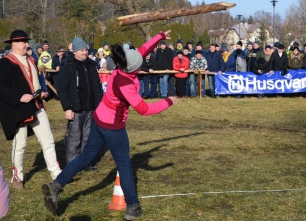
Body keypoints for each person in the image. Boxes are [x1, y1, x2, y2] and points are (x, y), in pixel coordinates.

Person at [42, 30, 178, 219]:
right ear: (133, 68)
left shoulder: (122, 65)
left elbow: (142, 51)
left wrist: (160, 36)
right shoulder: (126, 85)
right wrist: (169, 101)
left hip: (99, 119)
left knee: (85, 157)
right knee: (124, 165)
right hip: (113, 127)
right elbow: (145, 110)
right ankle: (132, 207)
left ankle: (56, 185)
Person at [0, 30, 61, 189]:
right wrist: (19, 97)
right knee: (20, 144)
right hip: (18, 109)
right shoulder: (5, 63)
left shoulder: (32, 60)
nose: (27, 44)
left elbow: (36, 81)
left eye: (27, 41)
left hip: (36, 106)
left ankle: (56, 173)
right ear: (14, 44)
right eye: (23, 42)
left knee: (48, 140)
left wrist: (42, 92)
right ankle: (17, 176)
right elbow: (1, 86)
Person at [56, 37, 103, 172]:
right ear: (75, 51)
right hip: (75, 108)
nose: (85, 52)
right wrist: (67, 108)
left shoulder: (92, 65)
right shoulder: (68, 67)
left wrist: (99, 103)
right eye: (82, 50)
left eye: (86, 49)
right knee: (74, 137)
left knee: (88, 137)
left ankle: (86, 162)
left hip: (91, 107)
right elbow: (62, 89)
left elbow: (97, 86)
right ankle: (72, 165)